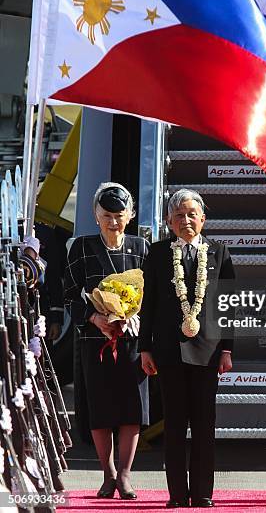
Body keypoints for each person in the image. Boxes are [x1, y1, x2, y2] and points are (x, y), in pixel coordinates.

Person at [139, 188, 234, 509]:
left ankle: (204, 492)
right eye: (179, 215)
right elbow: (147, 303)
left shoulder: (219, 252)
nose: (186, 220)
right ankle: (177, 493)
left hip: (208, 352)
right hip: (168, 352)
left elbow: (228, 306)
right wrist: (144, 349)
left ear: (203, 219)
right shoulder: (157, 253)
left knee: (205, 425)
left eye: (192, 214)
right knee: (175, 425)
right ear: (168, 220)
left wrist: (227, 350)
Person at [64, 183, 149, 500]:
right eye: (107, 215)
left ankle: (126, 475)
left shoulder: (142, 248)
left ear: (131, 214)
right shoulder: (82, 247)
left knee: (132, 408)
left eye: (119, 215)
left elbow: (149, 294)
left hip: (131, 338)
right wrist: (93, 317)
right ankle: (108, 473)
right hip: (93, 339)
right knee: (100, 408)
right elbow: (69, 296)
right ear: (95, 215)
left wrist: (134, 316)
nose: (113, 221)